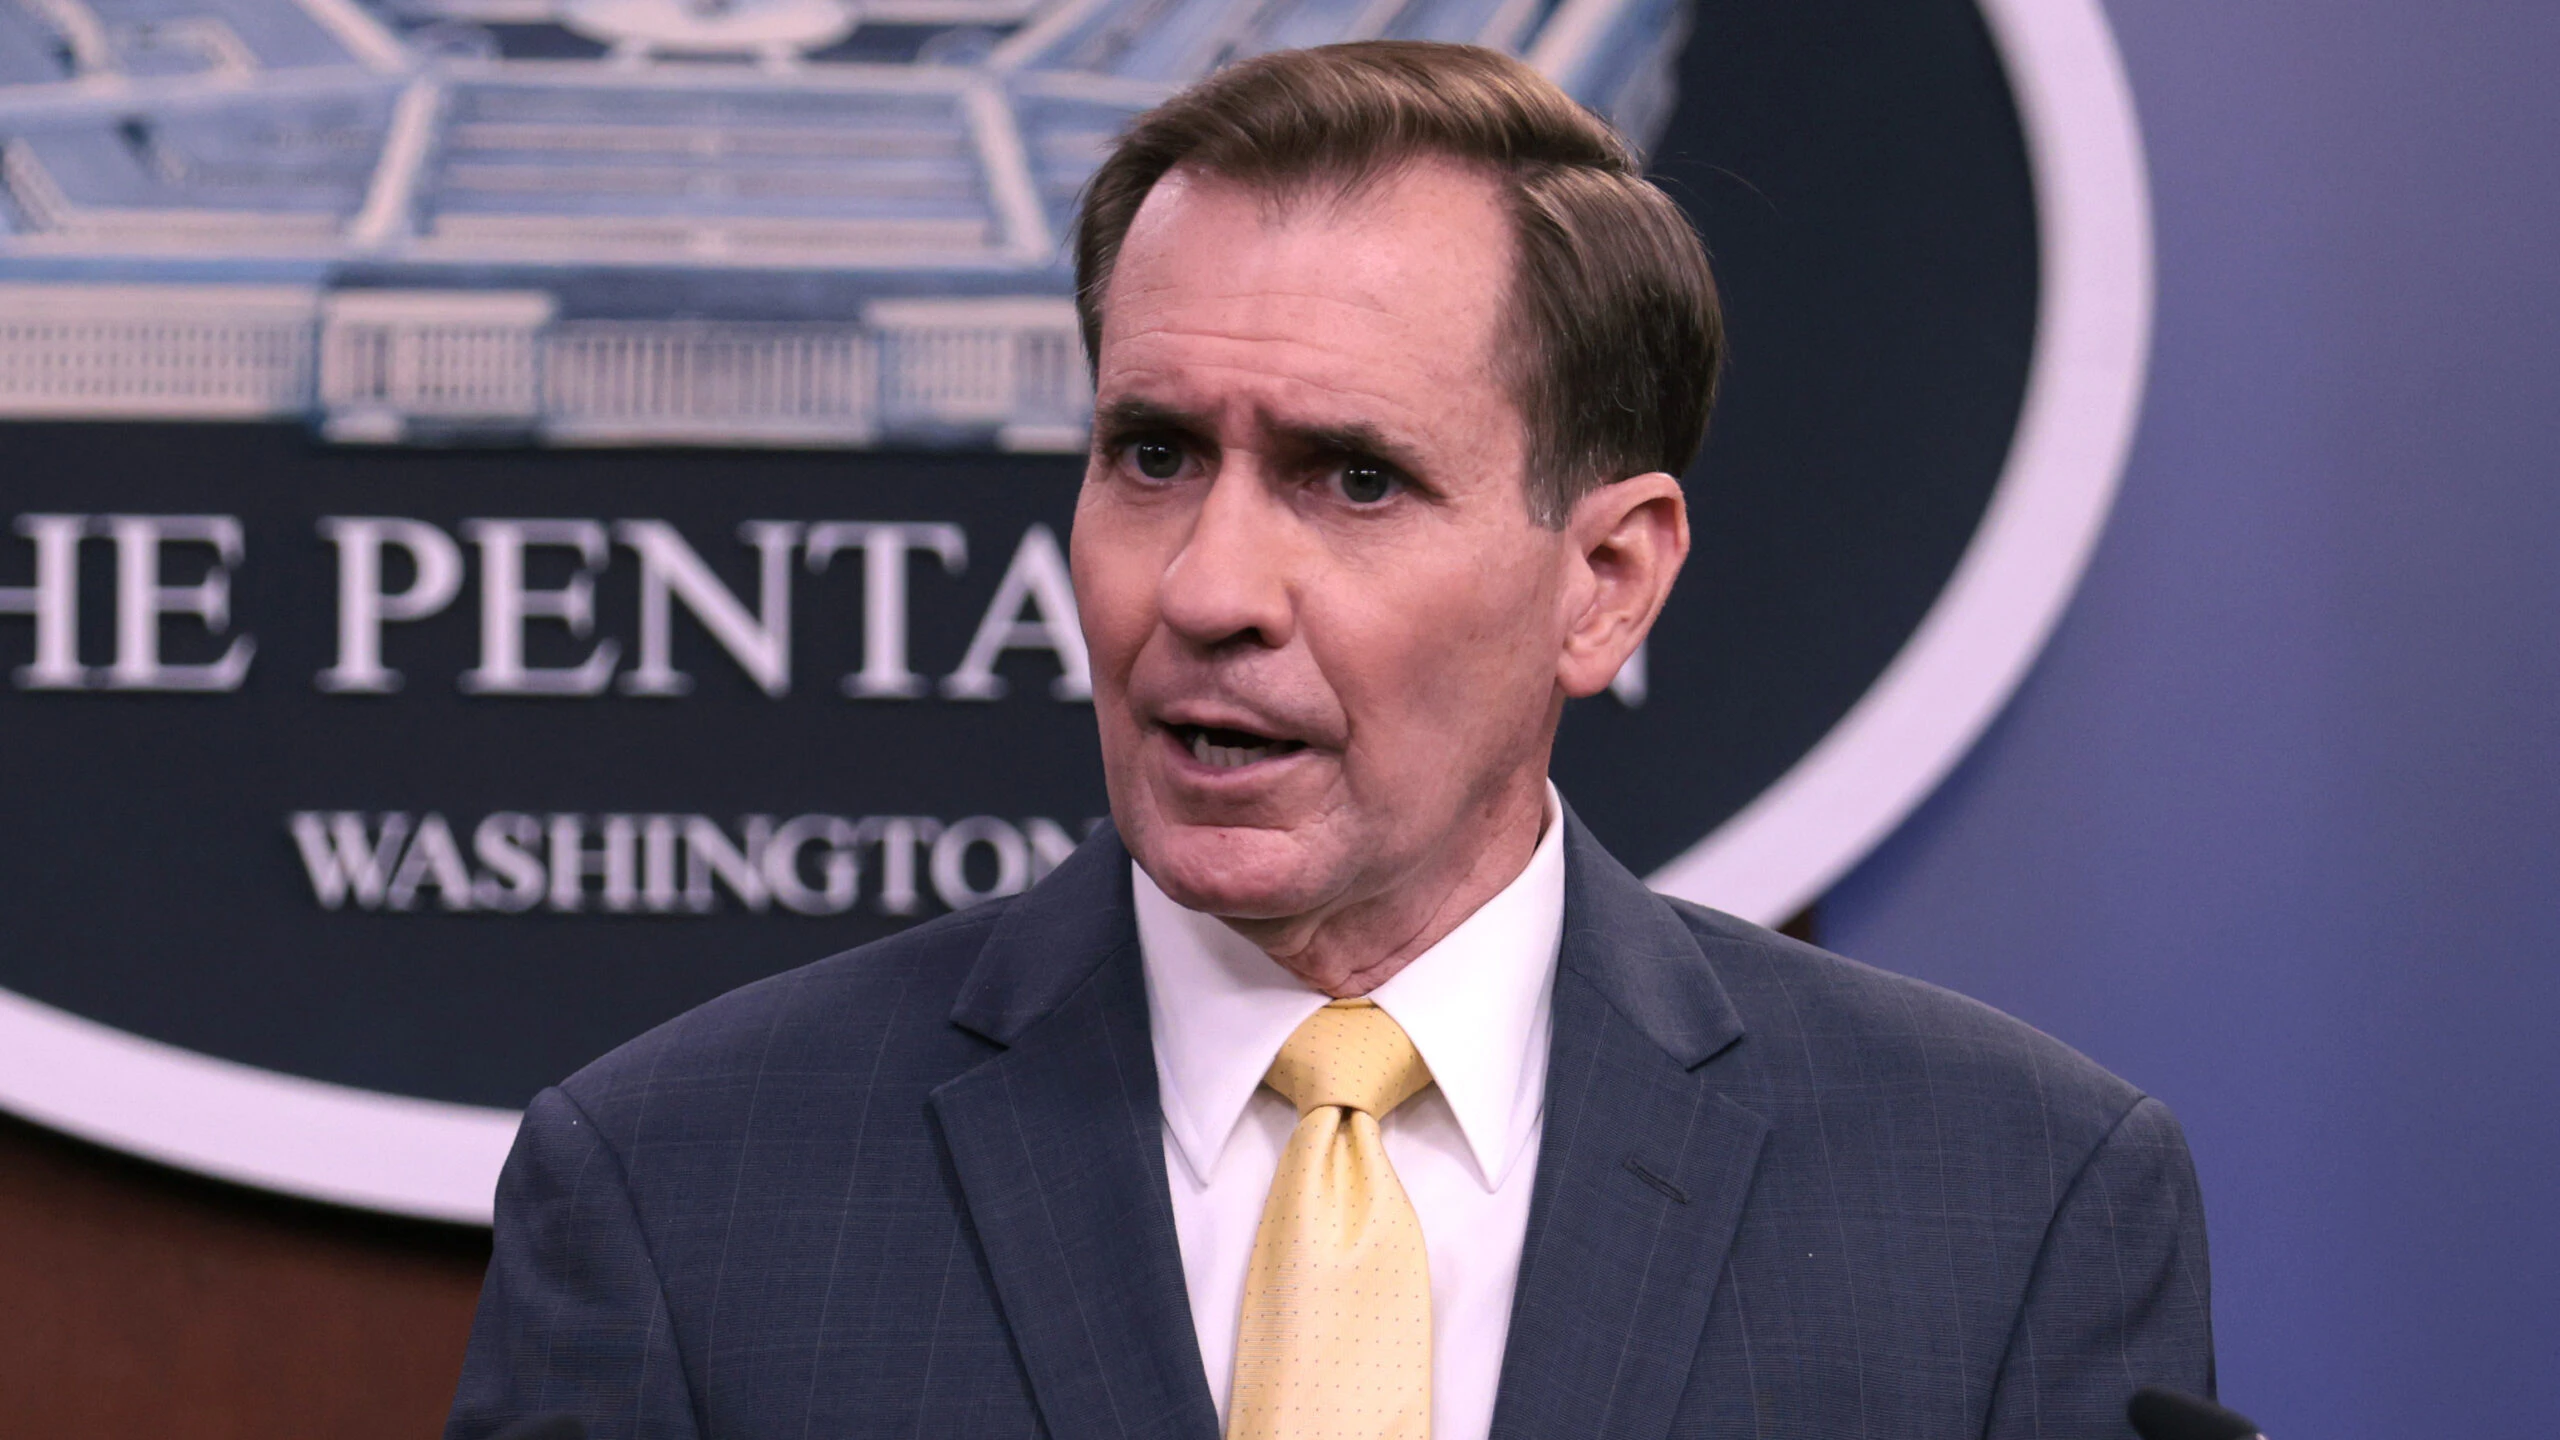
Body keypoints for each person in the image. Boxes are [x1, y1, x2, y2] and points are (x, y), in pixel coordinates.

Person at [447, 41, 2213, 1440]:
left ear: (1605, 581)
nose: (1208, 585)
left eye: (1351, 478)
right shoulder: (686, 1193)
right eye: (1152, 456)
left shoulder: (2009, 1206)